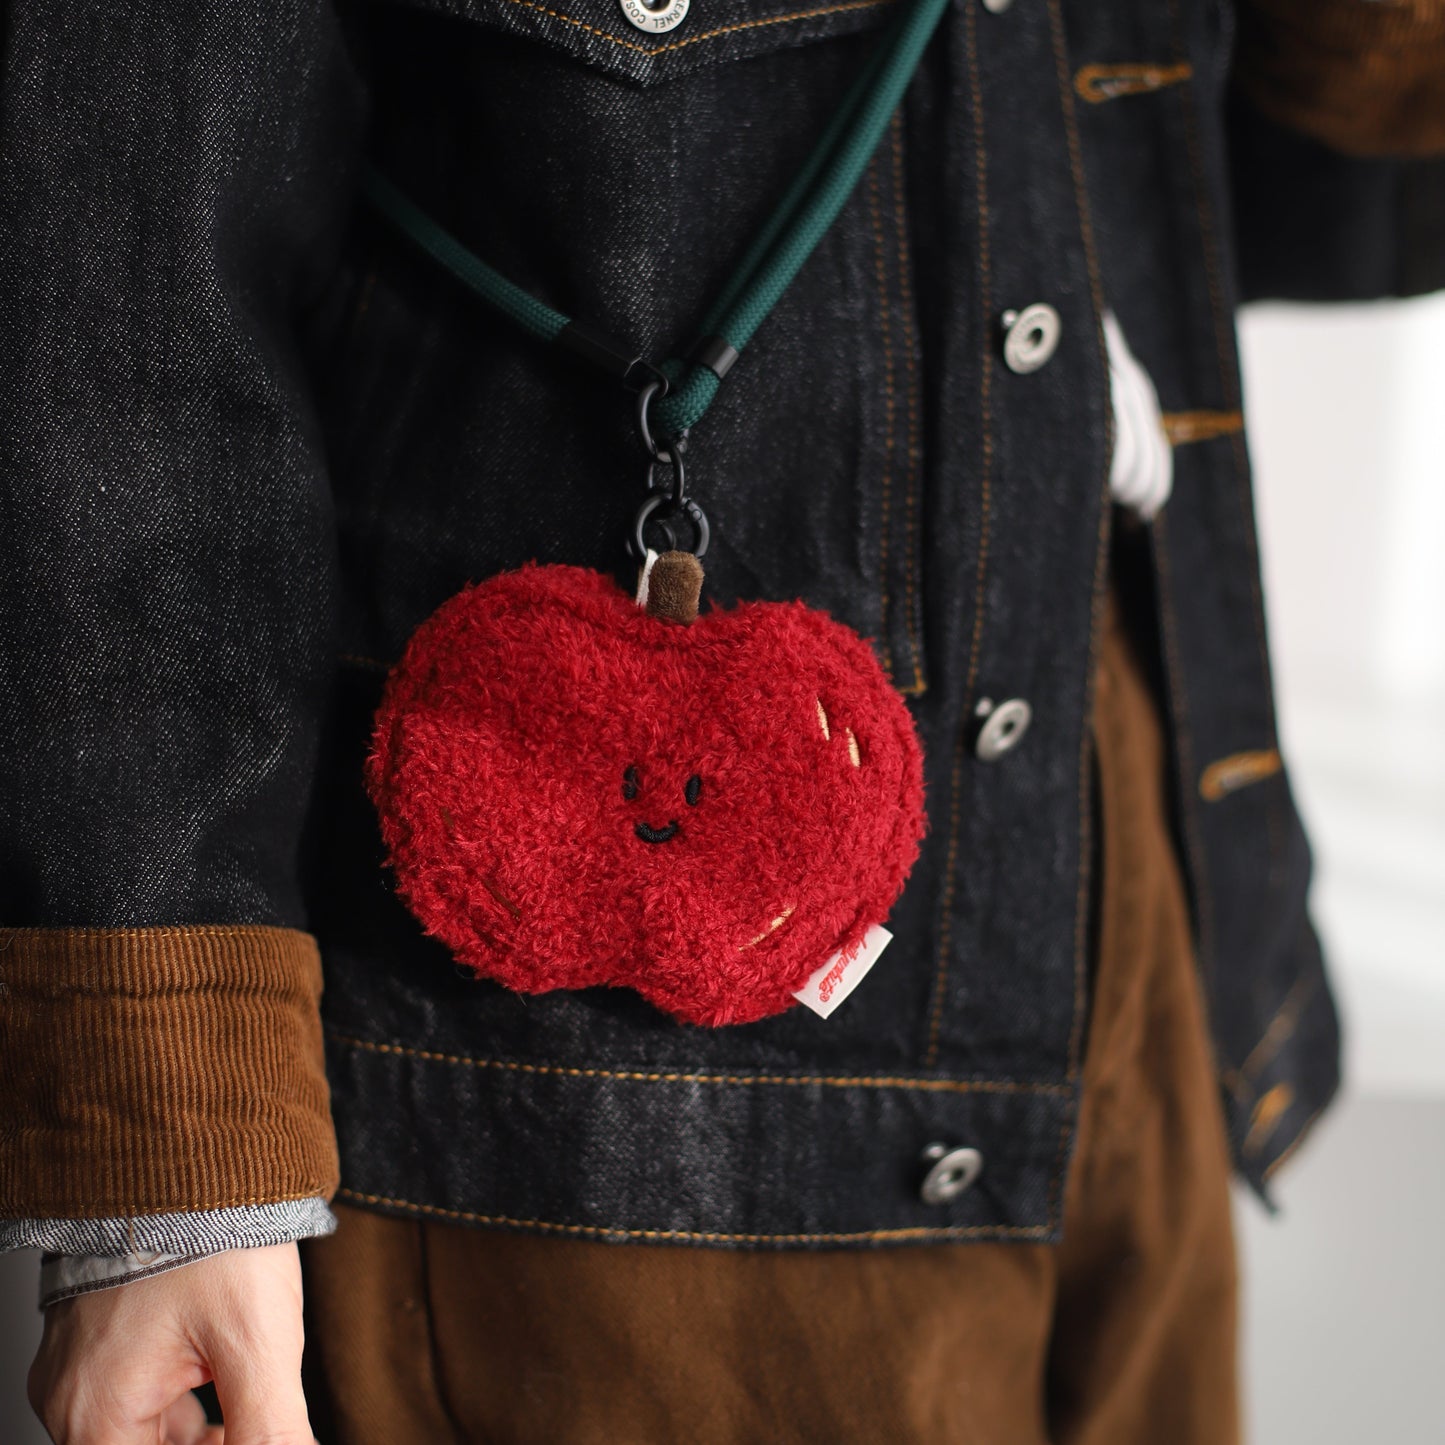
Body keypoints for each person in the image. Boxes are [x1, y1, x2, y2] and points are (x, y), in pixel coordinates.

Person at [2, 1, 1440, 1440]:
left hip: (1124, 910)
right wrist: (169, 1167)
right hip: (589, 1140)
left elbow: (1312, 189)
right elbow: (126, 300)